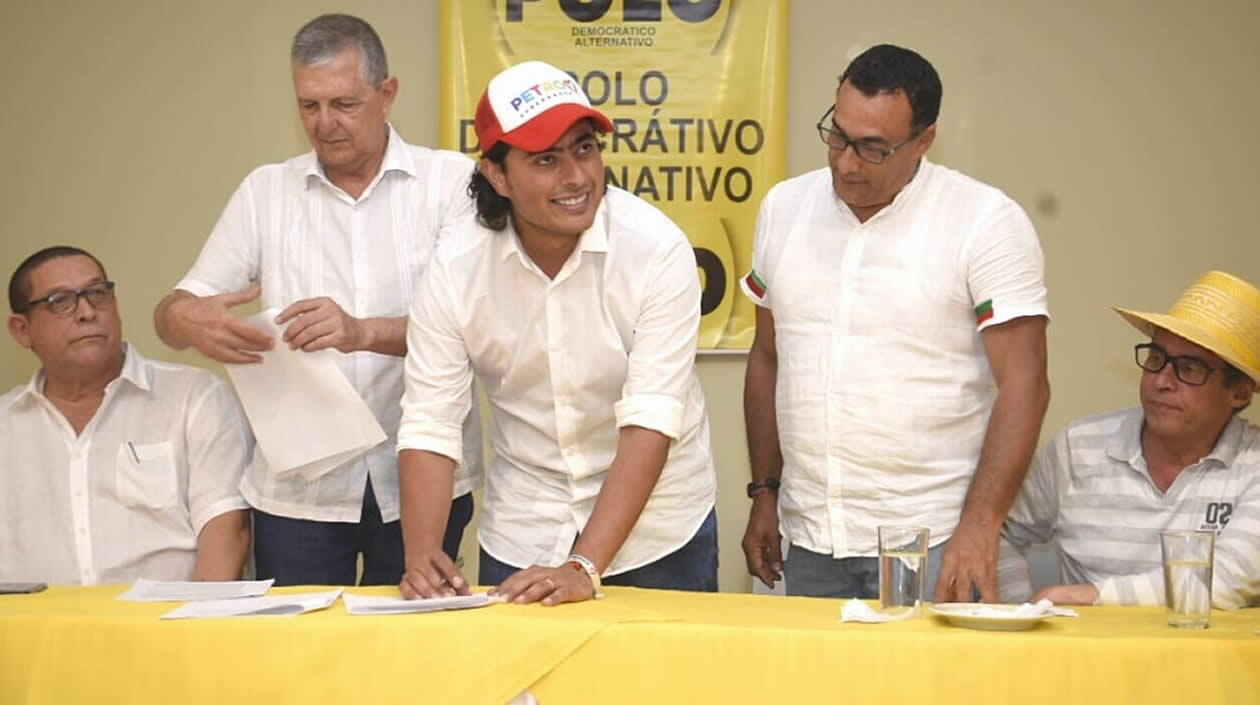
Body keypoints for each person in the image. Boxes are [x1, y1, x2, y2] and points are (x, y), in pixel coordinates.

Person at [152, 14, 481, 586]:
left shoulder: (451, 183)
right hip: (297, 491)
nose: (324, 124)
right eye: (309, 106)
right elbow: (171, 313)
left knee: (410, 656)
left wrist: (361, 332)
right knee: (294, 658)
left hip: (422, 483)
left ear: (388, 93)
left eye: (344, 104)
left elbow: (475, 327)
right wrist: (188, 321)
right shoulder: (266, 191)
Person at [395, 60, 718, 606]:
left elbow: (651, 419)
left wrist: (583, 566)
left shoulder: (656, 249)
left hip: (659, 537)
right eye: (546, 159)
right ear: (497, 175)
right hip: (524, 527)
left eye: (585, 149)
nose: (576, 178)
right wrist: (423, 555)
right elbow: (431, 422)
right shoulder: (455, 268)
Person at [740, 44, 1050, 601]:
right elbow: (767, 357)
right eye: (837, 134)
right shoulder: (784, 208)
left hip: (933, 537)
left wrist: (982, 525)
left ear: (924, 140)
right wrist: (765, 491)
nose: (845, 162)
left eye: (873, 148)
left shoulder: (985, 222)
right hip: (810, 535)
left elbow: (1025, 383)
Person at [1000, 270, 1260, 608]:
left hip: (1209, 660)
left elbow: (1227, 579)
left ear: (1239, 393)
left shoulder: (1253, 464)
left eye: (1189, 368)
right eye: (1156, 359)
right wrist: (1020, 616)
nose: (1161, 380)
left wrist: (1093, 597)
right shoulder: (1078, 448)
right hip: (1086, 657)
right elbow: (1001, 532)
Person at [1, 246, 251, 584]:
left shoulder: (194, 398)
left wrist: (193, 631)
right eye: (61, 301)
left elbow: (227, 534)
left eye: (98, 293)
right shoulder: (7, 425)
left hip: (168, 628)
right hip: (31, 633)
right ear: (22, 330)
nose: (87, 312)